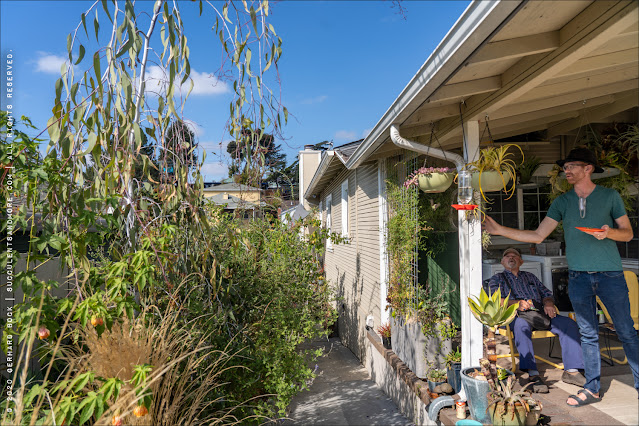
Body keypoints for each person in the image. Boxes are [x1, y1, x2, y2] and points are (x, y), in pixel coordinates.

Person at [483, 147, 638, 407]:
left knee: (626, 332)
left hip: (610, 275)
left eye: (571, 166)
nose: (566, 170)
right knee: (588, 334)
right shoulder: (562, 202)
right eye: (564, 167)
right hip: (578, 278)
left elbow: (628, 234)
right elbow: (538, 235)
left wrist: (608, 233)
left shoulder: (610, 196)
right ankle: (592, 389)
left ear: (588, 168)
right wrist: (500, 230)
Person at [487, 248, 585, 393]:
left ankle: (572, 371)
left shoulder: (530, 277)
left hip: (540, 315)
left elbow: (546, 293)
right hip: (516, 316)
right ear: (502, 262)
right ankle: (532, 374)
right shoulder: (497, 279)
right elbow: (495, 300)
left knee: (569, 324)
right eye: (507, 256)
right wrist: (515, 303)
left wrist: (549, 303)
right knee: (521, 325)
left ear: (521, 261)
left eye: (515, 255)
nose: (511, 257)